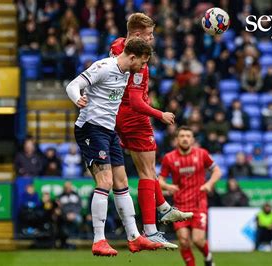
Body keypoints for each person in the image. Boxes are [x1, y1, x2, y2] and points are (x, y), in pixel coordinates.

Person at [66, 38, 161, 256]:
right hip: (91, 128)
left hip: (109, 131)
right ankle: (99, 239)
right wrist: (77, 98)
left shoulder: (127, 72)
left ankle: (134, 237)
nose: (144, 67)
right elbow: (73, 85)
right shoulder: (103, 67)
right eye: (143, 62)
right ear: (133, 57)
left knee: (122, 182)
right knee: (105, 181)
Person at [110, 13, 193, 247]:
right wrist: (161, 114)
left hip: (117, 114)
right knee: (147, 172)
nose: (152, 38)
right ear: (137, 35)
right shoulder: (140, 66)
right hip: (135, 117)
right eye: (149, 35)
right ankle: (150, 230)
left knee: (148, 169)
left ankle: (164, 208)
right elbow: (137, 102)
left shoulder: (116, 45)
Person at [159, 126, 221, 266]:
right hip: (179, 206)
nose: (185, 138)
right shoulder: (169, 158)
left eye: (188, 136)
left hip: (199, 204)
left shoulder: (202, 154)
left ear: (192, 139)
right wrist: (168, 187)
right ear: (176, 139)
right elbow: (160, 180)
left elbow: (217, 171)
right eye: (182, 136)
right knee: (183, 240)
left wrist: (209, 184)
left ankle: (208, 256)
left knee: (198, 239)